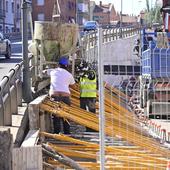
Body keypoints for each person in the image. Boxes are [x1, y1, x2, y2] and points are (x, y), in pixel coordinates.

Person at [44, 56, 76, 134]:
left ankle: (56, 132)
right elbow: (74, 86)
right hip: (65, 96)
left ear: (58, 64)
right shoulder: (69, 74)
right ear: (67, 66)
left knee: (56, 115)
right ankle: (67, 132)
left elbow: (43, 72)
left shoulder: (53, 71)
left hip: (55, 95)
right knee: (66, 115)